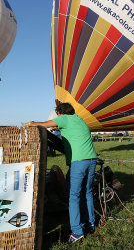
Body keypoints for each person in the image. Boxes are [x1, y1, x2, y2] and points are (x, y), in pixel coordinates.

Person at [24, 103, 97, 243]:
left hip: (79, 161)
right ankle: (90, 224)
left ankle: (76, 231)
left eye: (57, 115)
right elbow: (65, 128)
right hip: (91, 159)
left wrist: (30, 123)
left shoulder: (64, 118)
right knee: (87, 192)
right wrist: (57, 127)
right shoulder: (79, 119)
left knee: (73, 196)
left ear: (60, 113)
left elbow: (43, 124)